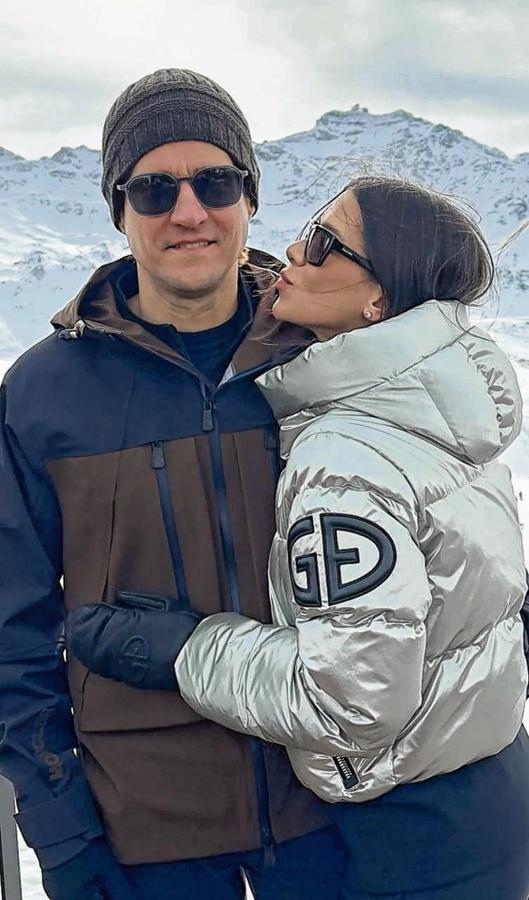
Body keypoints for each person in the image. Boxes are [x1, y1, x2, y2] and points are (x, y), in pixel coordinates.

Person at [69, 176, 529, 899]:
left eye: (323, 244)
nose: (292, 250)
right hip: (489, 785)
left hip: (413, 839)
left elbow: (352, 704)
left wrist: (185, 648)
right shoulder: (434, 410)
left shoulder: (347, 457)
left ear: (378, 299)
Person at [0, 69, 346, 900]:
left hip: (338, 819)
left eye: (215, 182)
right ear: (118, 211)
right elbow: (12, 634)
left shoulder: (330, 357)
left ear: (249, 197)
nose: (188, 212)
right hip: (141, 843)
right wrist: (64, 834)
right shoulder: (43, 396)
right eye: (154, 190)